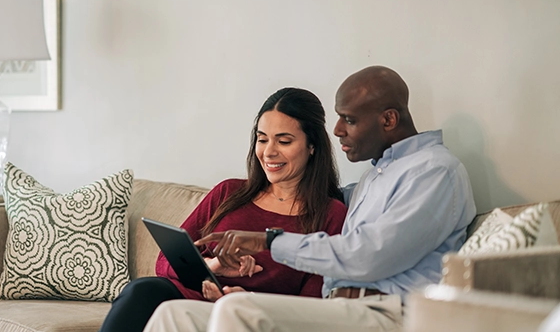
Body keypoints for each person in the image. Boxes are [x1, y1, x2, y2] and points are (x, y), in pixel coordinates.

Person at [143, 65, 478, 332]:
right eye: (263, 139)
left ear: (388, 119)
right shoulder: (375, 177)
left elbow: (369, 255)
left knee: (238, 308)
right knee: (174, 315)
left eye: (349, 119)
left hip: (387, 313)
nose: (337, 130)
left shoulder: (434, 171)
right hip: (341, 309)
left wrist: (267, 242)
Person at [99, 87, 348, 332]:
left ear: (312, 145)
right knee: (143, 290)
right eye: (262, 139)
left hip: (254, 317)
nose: (269, 152)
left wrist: (246, 299)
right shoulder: (229, 192)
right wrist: (212, 266)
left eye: (284, 141)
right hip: (191, 299)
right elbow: (164, 261)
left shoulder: (331, 215)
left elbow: (313, 303)